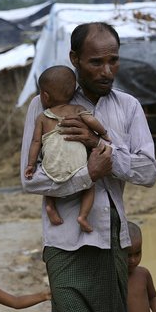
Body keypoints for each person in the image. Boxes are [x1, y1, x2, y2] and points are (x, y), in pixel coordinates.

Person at [20, 22, 156, 312]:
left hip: (112, 248)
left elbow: (149, 169)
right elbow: (30, 179)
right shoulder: (44, 109)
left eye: (113, 59)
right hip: (64, 250)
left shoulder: (127, 107)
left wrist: (105, 148)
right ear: (75, 59)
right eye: (96, 61)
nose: (107, 69)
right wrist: (84, 178)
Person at [24, 65, 110, 233]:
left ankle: (51, 206)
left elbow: (35, 142)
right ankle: (83, 216)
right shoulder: (78, 109)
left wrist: (31, 164)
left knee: (48, 183)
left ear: (45, 96)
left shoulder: (42, 117)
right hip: (77, 163)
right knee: (89, 185)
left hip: (52, 163)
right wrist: (104, 134)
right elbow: (92, 122)